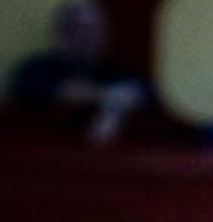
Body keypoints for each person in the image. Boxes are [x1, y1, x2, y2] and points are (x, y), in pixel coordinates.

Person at [7, 0, 150, 144]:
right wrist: (110, 98)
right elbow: (38, 91)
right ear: (61, 32)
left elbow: (145, 92)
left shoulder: (119, 71)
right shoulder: (35, 70)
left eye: (94, 29)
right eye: (78, 28)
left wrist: (116, 106)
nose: (87, 37)